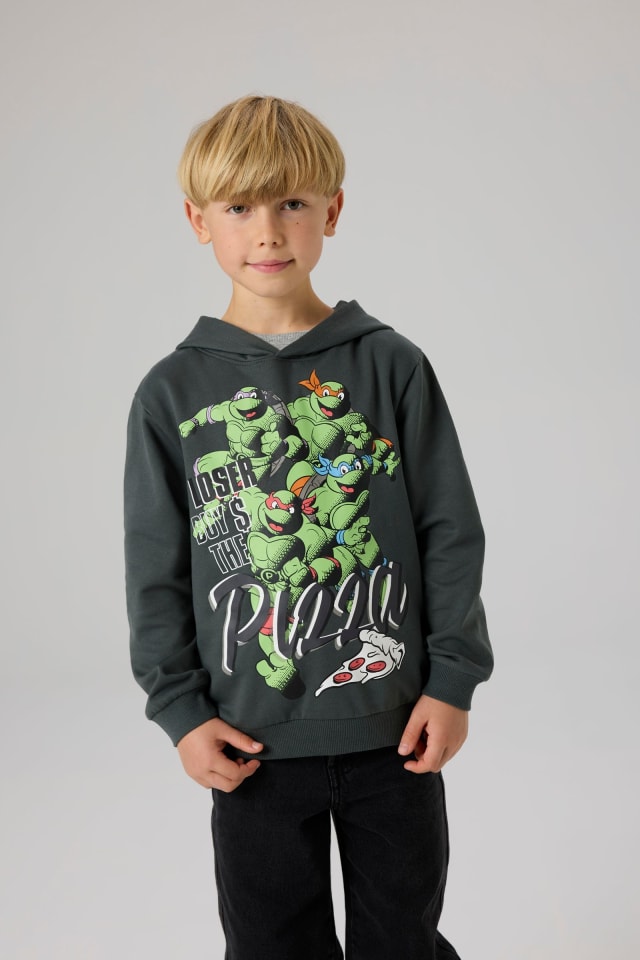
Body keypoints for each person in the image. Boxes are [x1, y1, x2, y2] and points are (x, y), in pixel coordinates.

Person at [124, 94, 493, 960]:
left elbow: (449, 529)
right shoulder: (170, 395)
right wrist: (179, 710)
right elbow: (154, 569)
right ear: (197, 221)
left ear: (333, 209)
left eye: (291, 202)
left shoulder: (392, 365)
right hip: (249, 743)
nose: (268, 231)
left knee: (402, 941)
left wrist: (453, 680)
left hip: (395, 730)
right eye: (238, 207)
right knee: (270, 946)